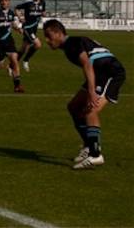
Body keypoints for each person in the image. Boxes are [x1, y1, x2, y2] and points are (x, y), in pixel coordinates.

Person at [43, 19, 126, 169]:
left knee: (90, 110)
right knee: (74, 107)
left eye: (49, 36)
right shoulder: (72, 43)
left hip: (110, 73)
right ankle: (88, 145)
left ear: (58, 33)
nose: (47, 41)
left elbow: (87, 64)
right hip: (100, 73)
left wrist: (92, 91)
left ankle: (95, 155)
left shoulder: (71, 44)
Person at [15, 0, 46, 72]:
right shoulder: (28, 3)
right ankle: (26, 60)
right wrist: (20, 17)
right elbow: (16, 8)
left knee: (23, 48)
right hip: (27, 28)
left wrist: (43, 14)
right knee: (38, 44)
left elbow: (43, 12)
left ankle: (12, 65)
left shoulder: (43, 2)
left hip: (34, 28)